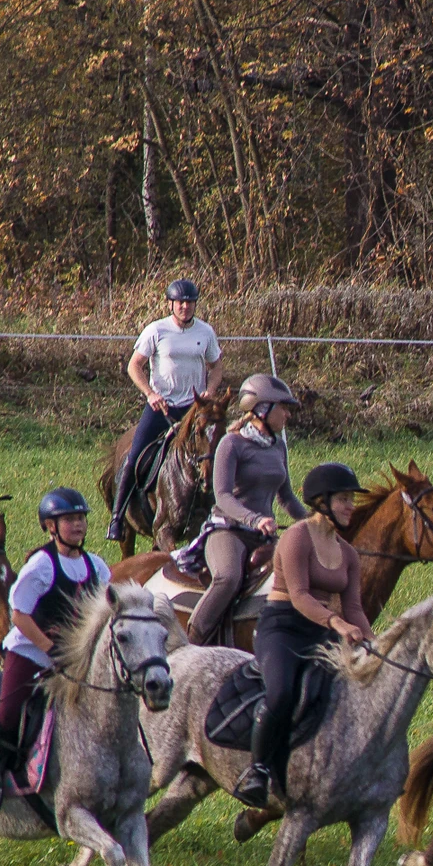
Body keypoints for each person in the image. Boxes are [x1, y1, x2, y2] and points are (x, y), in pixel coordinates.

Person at [232, 463, 372, 806]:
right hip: (282, 627)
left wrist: (374, 643)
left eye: (351, 499)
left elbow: (353, 608)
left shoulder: (348, 554)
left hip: (320, 632)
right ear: (321, 502)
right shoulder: (296, 537)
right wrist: (338, 625)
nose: (351, 506)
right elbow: (300, 595)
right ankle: (259, 770)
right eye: (343, 499)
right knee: (281, 694)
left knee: (346, 698)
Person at [0, 488, 109, 810]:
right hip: (30, 651)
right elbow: (19, 614)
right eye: (69, 519)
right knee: (11, 708)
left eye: (81, 518)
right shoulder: (41, 566)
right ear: (50, 527)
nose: (78, 525)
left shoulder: (98, 567)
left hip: (74, 657)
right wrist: (50, 648)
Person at [184, 373, 304, 645]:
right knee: (228, 577)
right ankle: (190, 642)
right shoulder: (231, 444)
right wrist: (255, 519)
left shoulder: (279, 447)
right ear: (262, 409)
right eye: (283, 408)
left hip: (263, 536)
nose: (287, 415)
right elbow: (223, 496)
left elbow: (286, 498)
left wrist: (315, 521)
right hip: (229, 531)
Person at [109, 279, 226, 541]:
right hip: (162, 407)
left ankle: (221, 513)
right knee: (135, 454)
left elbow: (216, 366)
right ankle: (117, 518)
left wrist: (211, 390)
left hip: (192, 410)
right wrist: (150, 394)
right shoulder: (156, 330)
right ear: (171, 304)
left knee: (215, 452)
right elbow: (134, 366)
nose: (185, 307)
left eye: (190, 302)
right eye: (180, 302)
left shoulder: (205, 332)